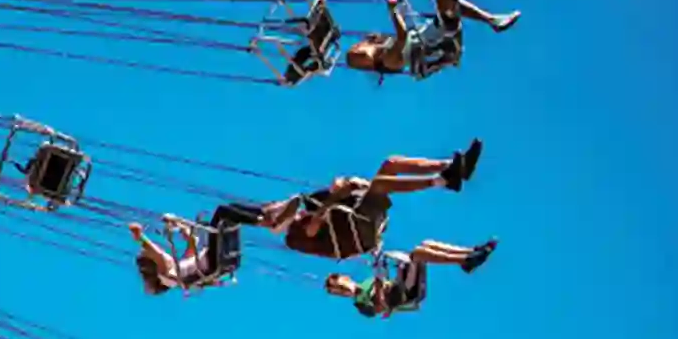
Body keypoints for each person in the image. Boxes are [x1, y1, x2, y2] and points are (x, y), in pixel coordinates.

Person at [206, 143, 482, 263]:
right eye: (271, 211)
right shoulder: (293, 236)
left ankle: (453, 167)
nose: (275, 206)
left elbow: (342, 193)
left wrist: (351, 184)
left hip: (356, 218)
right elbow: (315, 226)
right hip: (355, 233)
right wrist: (337, 196)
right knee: (382, 183)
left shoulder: (304, 205)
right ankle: (443, 180)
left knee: (391, 163)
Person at [344, 0, 520, 79]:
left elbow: (409, 28)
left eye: (356, 51)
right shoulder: (388, 62)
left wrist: (401, 5)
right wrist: (393, 11)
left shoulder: (385, 46)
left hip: (436, 34)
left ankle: (494, 13)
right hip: (440, 43)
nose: (358, 52)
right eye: (357, 59)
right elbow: (403, 35)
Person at [325, 241, 496, 318]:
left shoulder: (366, 282)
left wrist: (383, 264)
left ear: (346, 278)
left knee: (424, 246)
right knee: (418, 255)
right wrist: (379, 283)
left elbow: (384, 279)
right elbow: (380, 307)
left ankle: (469, 253)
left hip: (401, 283)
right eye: (339, 293)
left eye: (340, 287)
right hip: (406, 294)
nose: (343, 292)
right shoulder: (361, 304)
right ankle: (465, 261)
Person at [127, 217, 238, 295]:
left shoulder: (178, 273)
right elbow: (159, 254)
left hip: (216, 263)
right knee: (222, 217)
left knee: (228, 220)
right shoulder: (165, 275)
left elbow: (192, 245)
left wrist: (182, 229)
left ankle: (251, 217)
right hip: (212, 259)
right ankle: (254, 218)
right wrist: (140, 237)